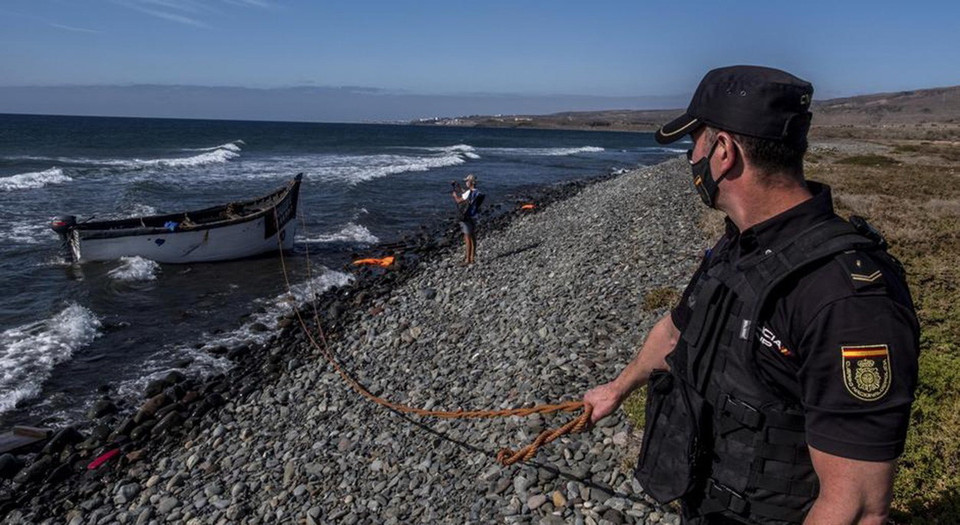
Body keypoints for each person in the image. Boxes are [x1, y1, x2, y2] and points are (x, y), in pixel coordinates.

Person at [583, 66, 919, 524]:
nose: (691, 159)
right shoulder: (740, 245)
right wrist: (618, 388)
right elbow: (677, 331)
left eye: (694, 144)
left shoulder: (846, 298)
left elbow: (857, 507)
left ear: (723, 151)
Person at [452, 174, 483, 265]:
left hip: (466, 217)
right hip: (474, 216)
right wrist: (459, 187)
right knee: (473, 237)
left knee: (467, 238)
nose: (465, 182)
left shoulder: (468, 193)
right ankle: (472, 257)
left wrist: (455, 196)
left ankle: (467, 260)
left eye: (467, 181)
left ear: (471, 182)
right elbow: (467, 194)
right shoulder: (477, 192)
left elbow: (459, 200)